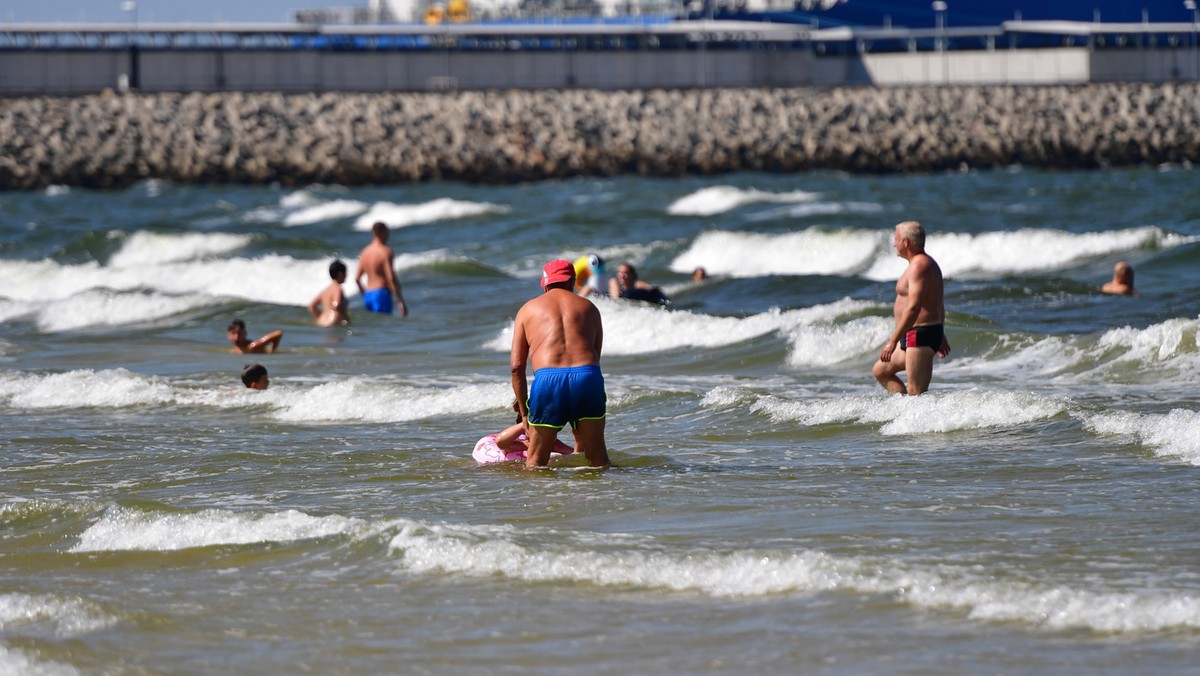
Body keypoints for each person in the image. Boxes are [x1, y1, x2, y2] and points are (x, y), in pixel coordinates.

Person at [511, 259, 610, 468]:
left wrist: (525, 413)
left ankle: (540, 501)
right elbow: (595, 356)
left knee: (536, 461)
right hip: (587, 376)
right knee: (598, 459)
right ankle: (602, 499)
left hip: (548, 380)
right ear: (572, 281)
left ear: (545, 284)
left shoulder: (527, 310)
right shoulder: (590, 308)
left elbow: (516, 367)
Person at [872, 220, 951, 396]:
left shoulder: (919, 266)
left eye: (896, 239)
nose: (894, 243)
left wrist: (892, 342)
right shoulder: (921, 264)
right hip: (916, 333)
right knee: (881, 371)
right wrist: (941, 331)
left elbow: (914, 307)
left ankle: (923, 422)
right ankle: (901, 413)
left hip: (920, 335)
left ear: (905, 242)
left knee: (916, 394)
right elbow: (937, 302)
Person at [355, 221, 408, 317]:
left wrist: (365, 295)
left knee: (374, 327)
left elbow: (357, 279)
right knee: (384, 326)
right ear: (383, 232)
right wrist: (400, 300)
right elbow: (391, 277)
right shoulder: (386, 251)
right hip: (381, 294)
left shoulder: (364, 252)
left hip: (368, 295)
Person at [309, 259, 351, 326]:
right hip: (333, 322)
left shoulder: (326, 290)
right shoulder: (338, 289)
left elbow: (312, 306)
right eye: (345, 273)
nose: (346, 276)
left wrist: (320, 319)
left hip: (322, 321)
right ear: (340, 274)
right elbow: (337, 305)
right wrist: (346, 319)